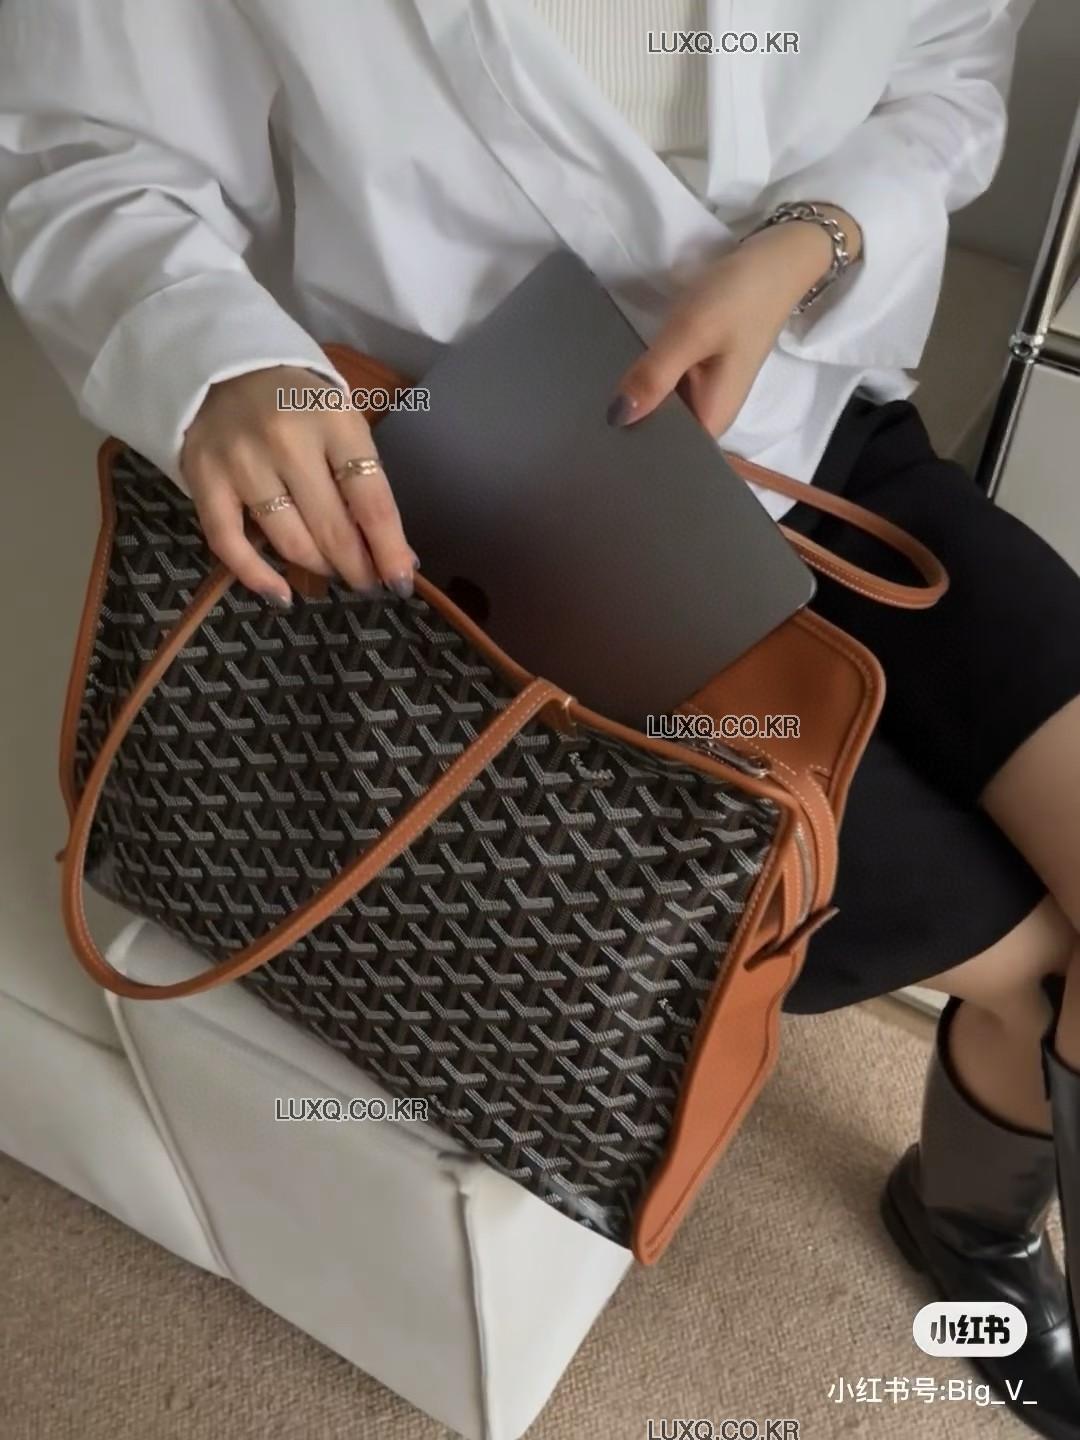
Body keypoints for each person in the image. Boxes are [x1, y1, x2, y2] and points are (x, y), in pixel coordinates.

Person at [1, 1, 1078, 1433]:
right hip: (468, 522)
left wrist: (814, 237)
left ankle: (970, 1213)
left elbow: (948, 73)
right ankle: (974, 1226)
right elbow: (83, 147)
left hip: (809, 434)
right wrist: (215, 358)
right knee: (1041, 973)